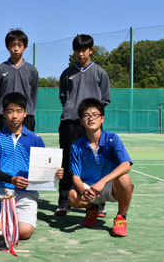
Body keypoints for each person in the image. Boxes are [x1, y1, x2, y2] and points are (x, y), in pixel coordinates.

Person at [0, 92, 63, 240]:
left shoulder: (35, 139)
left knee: (24, 232)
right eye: (10, 111)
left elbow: (44, 167)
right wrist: (12, 179)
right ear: (3, 113)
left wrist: (55, 173)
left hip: (26, 194)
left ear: (25, 113)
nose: (15, 116)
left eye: (19, 111)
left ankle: (9, 219)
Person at [56, 34, 111, 217]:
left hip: (92, 125)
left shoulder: (100, 73)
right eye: (77, 50)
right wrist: (73, 112)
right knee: (66, 162)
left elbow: (104, 100)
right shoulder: (67, 73)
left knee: (96, 162)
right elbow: (64, 98)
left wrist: (91, 117)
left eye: (84, 50)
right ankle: (64, 201)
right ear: (74, 51)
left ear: (91, 50)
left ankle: (98, 202)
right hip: (70, 123)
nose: (81, 53)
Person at [67, 98, 133, 237]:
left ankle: (121, 217)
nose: (91, 118)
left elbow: (126, 165)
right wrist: (83, 191)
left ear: (102, 118)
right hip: (89, 187)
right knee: (72, 197)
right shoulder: (76, 146)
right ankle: (92, 208)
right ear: (81, 121)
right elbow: (76, 177)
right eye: (86, 115)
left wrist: (103, 181)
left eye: (95, 115)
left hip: (109, 186)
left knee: (125, 179)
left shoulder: (113, 139)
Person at [0, 29, 38, 132]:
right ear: (7, 47)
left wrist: (28, 109)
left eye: (20, 45)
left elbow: (33, 96)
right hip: (4, 116)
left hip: (27, 116)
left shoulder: (32, 70)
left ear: (25, 47)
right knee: (3, 147)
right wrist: (1, 111)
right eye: (12, 45)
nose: (16, 48)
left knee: (26, 147)